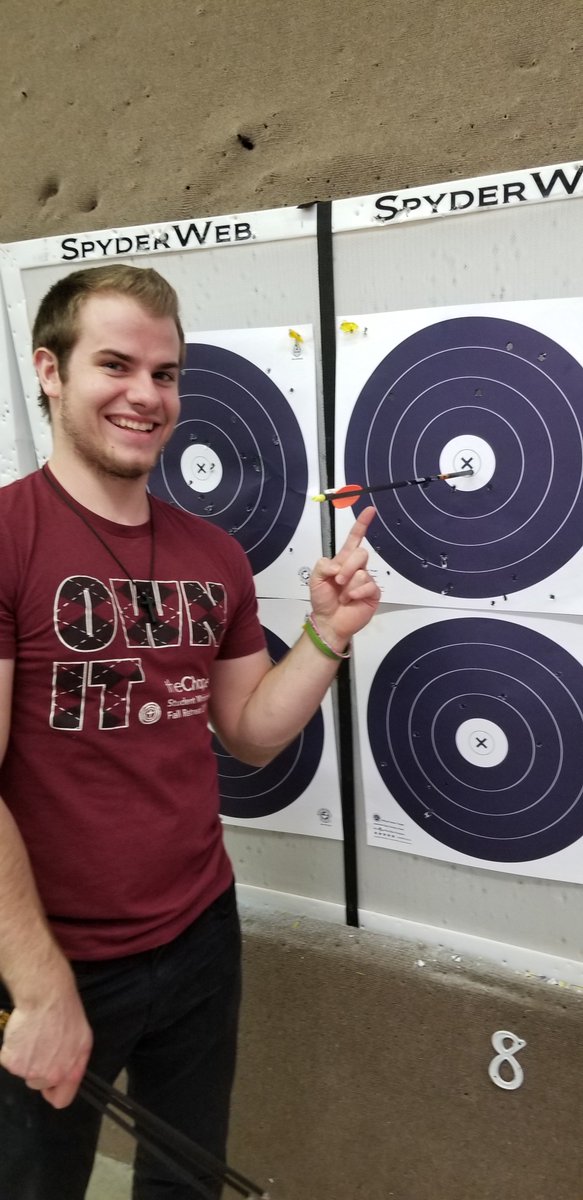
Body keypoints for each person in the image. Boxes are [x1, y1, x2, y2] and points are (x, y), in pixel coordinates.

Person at [0, 263, 380, 1199]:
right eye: (116, 365)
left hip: (200, 935)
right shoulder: (7, 537)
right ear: (49, 371)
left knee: (183, 1185)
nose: (145, 395)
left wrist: (325, 636)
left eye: (165, 374)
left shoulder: (213, 553)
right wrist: (40, 984)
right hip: (55, 956)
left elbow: (251, 732)